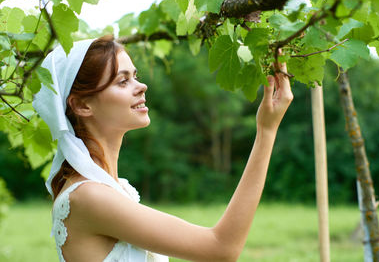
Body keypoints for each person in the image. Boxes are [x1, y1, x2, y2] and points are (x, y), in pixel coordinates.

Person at [32, 35, 293, 262]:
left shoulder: (112, 188)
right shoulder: (89, 196)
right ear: (81, 105)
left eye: (135, 76)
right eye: (122, 81)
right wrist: (266, 131)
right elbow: (222, 249)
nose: (141, 86)